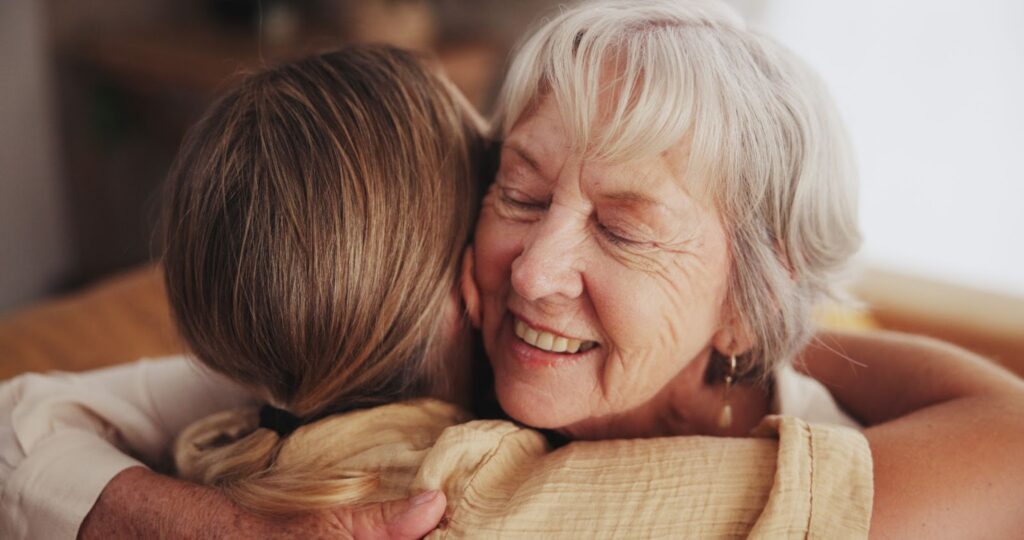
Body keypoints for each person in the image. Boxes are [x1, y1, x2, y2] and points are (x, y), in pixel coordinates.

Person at [1, 0, 1022, 537]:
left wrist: (775, 324)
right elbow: (22, 424)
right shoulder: (414, 356)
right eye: (521, 193)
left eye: (621, 229)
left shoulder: (843, 478)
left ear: (748, 294)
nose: (532, 271)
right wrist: (207, 531)